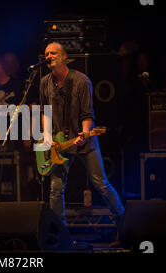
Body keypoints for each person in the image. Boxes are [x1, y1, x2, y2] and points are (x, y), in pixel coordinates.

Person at [40, 42, 125, 244]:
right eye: (46, 53)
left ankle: (123, 225)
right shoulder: (44, 82)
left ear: (63, 57)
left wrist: (84, 134)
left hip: (83, 140)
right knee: (55, 188)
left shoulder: (80, 80)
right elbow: (45, 113)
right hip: (59, 143)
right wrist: (47, 136)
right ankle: (61, 235)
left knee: (100, 183)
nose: (48, 56)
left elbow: (88, 114)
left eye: (53, 53)